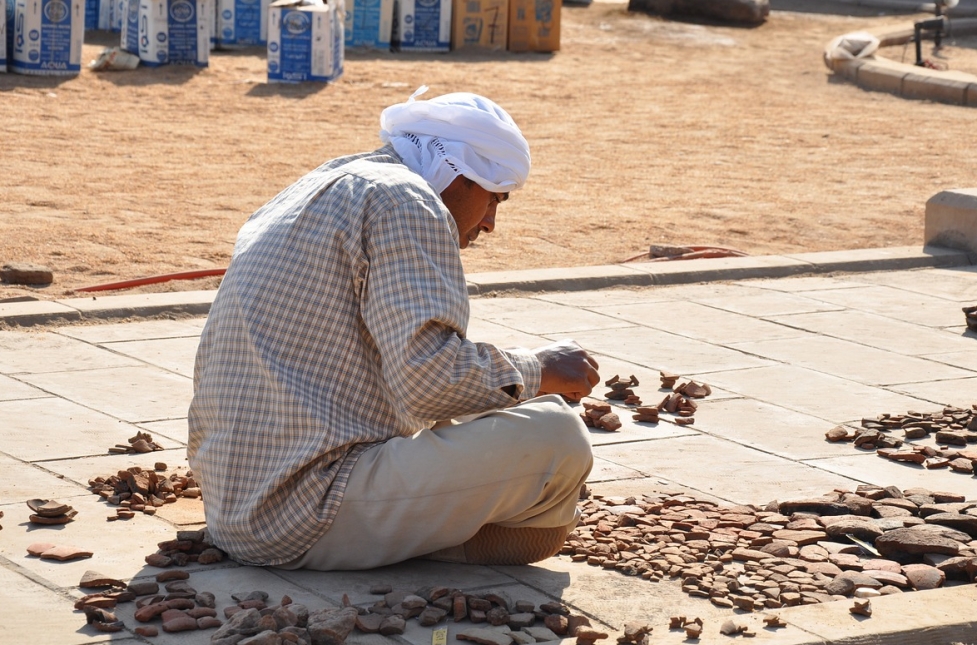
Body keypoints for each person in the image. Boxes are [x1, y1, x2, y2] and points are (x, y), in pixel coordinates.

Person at [187, 87, 600, 571]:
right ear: (457, 173)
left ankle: (418, 532)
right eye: (494, 197)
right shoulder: (408, 201)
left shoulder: (329, 179)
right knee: (558, 435)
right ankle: (444, 542)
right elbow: (431, 383)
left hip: (235, 498)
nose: (490, 223)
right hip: (301, 512)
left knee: (497, 402)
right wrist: (540, 368)